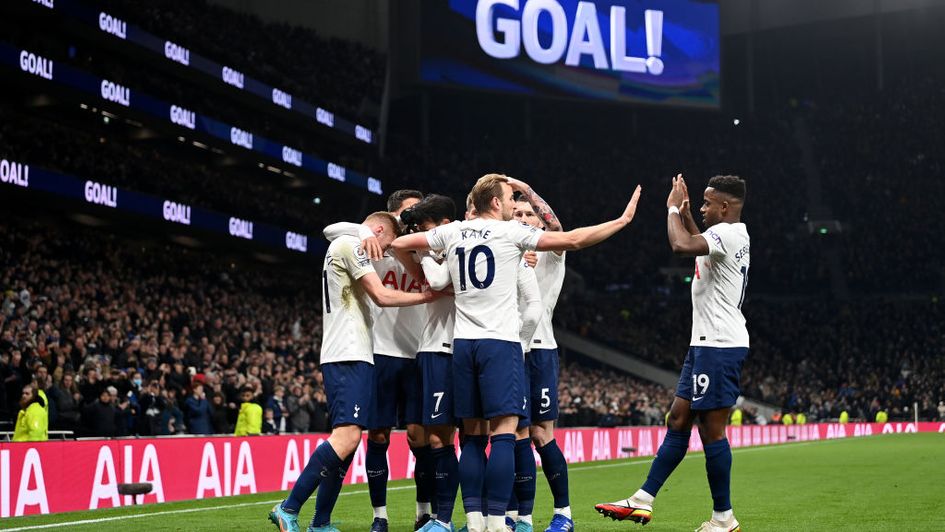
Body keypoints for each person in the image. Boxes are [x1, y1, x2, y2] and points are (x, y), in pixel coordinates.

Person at [394, 174, 642, 532]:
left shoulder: (453, 232)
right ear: (496, 203)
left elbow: (403, 242)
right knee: (506, 435)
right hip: (502, 344)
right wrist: (621, 221)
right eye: (511, 199)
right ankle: (499, 522)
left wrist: (397, 255)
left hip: (462, 345)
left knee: (473, 439)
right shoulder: (510, 234)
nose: (514, 206)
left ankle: (475, 523)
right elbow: (573, 238)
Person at [595, 174, 749, 532]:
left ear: (725, 207)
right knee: (678, 419)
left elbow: (681, 245)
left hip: (719, 345)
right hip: (704, 344)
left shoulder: (728, 234)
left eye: (709, 203)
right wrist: (687, 211)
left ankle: (723, 518)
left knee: (712, 432)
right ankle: (642, 500)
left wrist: (670, 210)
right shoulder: (730, 235)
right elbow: (698, 238)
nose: (704, 208)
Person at [269, 212, 438, 532]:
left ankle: (320, 522)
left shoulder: (349, 239)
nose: (386, 253)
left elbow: (332, 228)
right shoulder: (351, 244)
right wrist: (428, 296)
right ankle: (288, 507)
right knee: (346, 438)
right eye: (387, 244)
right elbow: (382, 295)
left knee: (345, 441)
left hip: (354, 353)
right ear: (375, 231)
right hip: (348, 352)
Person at [323, 189, 432, 532]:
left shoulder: (426, 247)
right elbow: (330, 230)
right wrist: (365, 231)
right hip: (380, 352)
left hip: (418, 352)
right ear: (392, 215)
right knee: (379, 437)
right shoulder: (371, 243)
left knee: (419, 438)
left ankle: (423, 513)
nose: (414, 216)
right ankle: (379, 517)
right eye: (408, 211)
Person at [505, 178, 573, 532]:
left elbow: (558, 226)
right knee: (513, 433)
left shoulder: (550, 247)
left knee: (541, 434)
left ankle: (563, 513)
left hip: (541, 348)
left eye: (529, 213)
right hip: (508, 350)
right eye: (515, 211)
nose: (522, 217)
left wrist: (528, 190)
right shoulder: (502, 249)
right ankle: (520, 516)